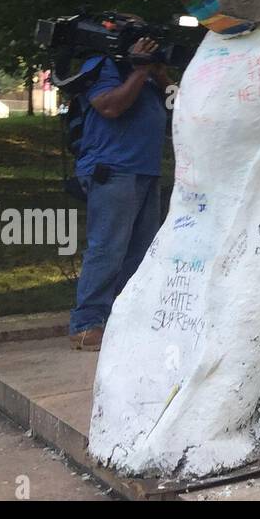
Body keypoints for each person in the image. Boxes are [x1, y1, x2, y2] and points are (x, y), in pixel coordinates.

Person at [70, 37, 169, 349]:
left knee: (141, 253)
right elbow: (111, 106)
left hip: (145, 170)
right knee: (108, 249)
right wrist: (140, 71)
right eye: (138, 36)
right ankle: (87, 324)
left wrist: (159, 73)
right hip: (112, 170)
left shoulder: (148, 75)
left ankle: (125, 318)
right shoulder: (102, 66)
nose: (146, 44)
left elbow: (179, 106)